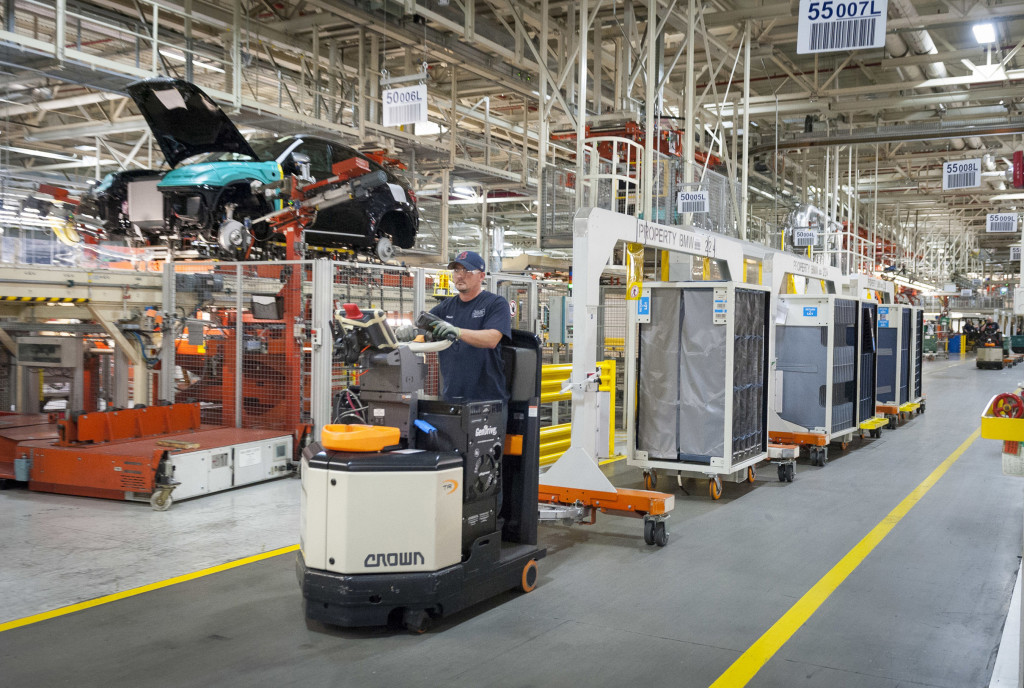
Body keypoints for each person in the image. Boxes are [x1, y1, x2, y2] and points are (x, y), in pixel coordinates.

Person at [429, 250, 511, 403]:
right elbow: (424, 327)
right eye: (456, 270)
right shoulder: (445, 307)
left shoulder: (495, 304)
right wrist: (412, 333)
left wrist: (458, 332)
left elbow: (492, 339)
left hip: (487, 399)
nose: (460, 275)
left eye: (467, 270)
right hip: (451, 397)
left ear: (481, 276)